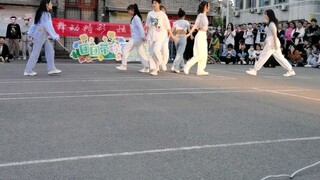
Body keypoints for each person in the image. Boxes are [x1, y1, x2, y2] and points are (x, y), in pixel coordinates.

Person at [246, 9, 295, 77]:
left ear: (269, 15)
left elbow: (274, 34)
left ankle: (255, 70)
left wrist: (274, 43)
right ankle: (290, 70)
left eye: (265, 14)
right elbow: (269, 34)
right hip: (271, 41)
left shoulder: (271, 23)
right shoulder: (270, 23)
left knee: (263, 56)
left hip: (272, 41)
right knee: (280, 58)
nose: (264, 15)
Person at [24, 0, 61, 76]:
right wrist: (55, 36)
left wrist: (30, 33)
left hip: (42, 34)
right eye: (50, 3)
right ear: (47, 4)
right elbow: (48, 26)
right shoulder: (45, 14)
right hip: (40, 34)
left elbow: (35, 24)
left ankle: (51, 69)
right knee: (36, 53)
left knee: (50, 51)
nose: (52, 4)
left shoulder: (41, 13)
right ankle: (28, 70)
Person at [116, 4, 149, 73]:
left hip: (136, 38)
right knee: (141, 52)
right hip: (136, 38)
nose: (128, 12)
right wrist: (142, 37)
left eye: (129, 10)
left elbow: (140, 27)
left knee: (125, 49)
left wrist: (143, 36)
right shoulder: (134, 17)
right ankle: (146, 67)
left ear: (132, 10)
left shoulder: (136, 18)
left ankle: (124, 65)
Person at [146, 0, 175, 76]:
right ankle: (155, 69)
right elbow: (147, 25)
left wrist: (171, 35)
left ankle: (162, 63)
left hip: (161, 35)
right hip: (151, 35)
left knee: (156, 50)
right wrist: (146, 34)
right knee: (152, 53)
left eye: (155, 3)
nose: (154, 4)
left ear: (159, 4)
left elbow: (168, 26)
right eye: (153, 3)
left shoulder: (163, 15)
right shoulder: (150, 14)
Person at [184, 1, 210, 75]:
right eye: (208, 6)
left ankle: (200, 70)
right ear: (205, 7)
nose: (209, 7)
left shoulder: (204, 16)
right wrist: (189, 34)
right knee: (200, 54)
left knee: (204, 54)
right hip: (200, 35)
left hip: (203, 35)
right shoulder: (201, 15)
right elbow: (196, 25)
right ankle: (187, 65)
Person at [171, 8, 190, 73]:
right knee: (180, 53)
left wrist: (171, 36)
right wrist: (191, 35)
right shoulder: (186, 22)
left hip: (176, 37)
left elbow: (172, 30)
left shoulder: (175, 22)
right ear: (184, 16)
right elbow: (189, 30)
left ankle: (182, 66)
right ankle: (175, 67)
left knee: (179, 53)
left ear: (178, 16)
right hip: (182, 37)